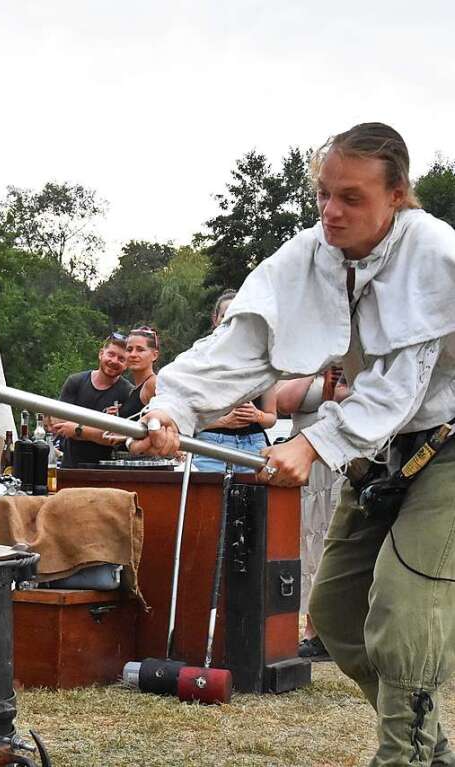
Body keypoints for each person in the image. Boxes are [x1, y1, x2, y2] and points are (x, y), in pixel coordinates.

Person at [130, 122, 455, 765]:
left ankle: (407, 756)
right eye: (324, 194)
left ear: (398, 196)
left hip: (447, 446)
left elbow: (402, 386)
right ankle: (428, 743)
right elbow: (241, 345)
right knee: (336, 616)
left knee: (404, 616)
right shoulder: (309, 253)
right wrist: (172, 407)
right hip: (383, 454)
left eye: (352, 197)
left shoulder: (435, 253)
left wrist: (311, 444)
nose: (331, 212)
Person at [277, 366, 349, 662]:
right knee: (308, 544)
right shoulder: (304, 362)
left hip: (339, 459)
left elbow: (344, 404)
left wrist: (333, 387)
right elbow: (284, 402)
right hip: (307, 468)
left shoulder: (354, 364)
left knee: (334, 541)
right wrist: (316, 369)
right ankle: (312, 631)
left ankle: (336, 632)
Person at [193, 290, 278, 472]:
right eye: (226, 316)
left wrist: (258, 416)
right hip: (210, 446)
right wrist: (223, 421)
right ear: (215, 319)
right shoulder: (198, 358)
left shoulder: (262, 360)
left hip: (253, 445)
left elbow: (271, 418)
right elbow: (186, 417)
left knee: (253, 500)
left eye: (239, 316)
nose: (233, 322)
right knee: (209, 500)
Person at [49, 334, 133, 468]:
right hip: (71, 467)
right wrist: (101, 429)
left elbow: (115, 439)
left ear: (127, 364)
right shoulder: (75, 382)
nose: (115, 361)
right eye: (111, 354)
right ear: (101, 354)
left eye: (121, 359)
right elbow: (59, 425)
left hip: (109, 471)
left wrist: (78, 429)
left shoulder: (128, 392)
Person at [119, 327, 160, 419]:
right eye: (129, 349)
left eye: (140, 350)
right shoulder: (134, 390)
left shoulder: (153, 384)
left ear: (154, 355)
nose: (133, 354)